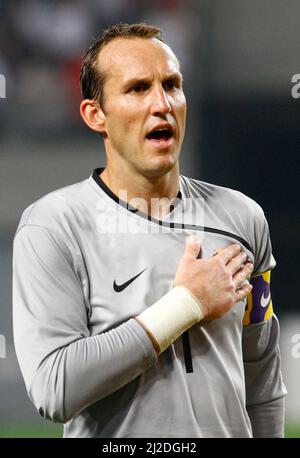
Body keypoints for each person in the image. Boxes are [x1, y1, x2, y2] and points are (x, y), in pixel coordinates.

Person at [13, 22, 287, 438]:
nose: (162, 103)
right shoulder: (53, 226)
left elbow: (262, 373)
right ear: (95, 114)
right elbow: (55, 388)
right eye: (138, 88)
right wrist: (186, 304)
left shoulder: (242, 217)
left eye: (172, 85)